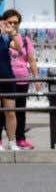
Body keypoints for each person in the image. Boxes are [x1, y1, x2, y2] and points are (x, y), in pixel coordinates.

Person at [2, 9, 36, 149]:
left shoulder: (16, 39)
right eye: (9, 22)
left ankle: (16, 140)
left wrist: (36, 76)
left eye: (15, 23)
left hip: (16, 79)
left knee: (16, 112)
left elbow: (22, 51)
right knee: (4, 113)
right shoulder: (3, 38)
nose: (12, 25)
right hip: (5, 78)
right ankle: (4, 140)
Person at [0, 15, 16, 151]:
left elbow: (19, 47)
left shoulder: (6, 38)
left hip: (8, 78)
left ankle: (12, 142)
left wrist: (12, 32)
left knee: (10, 112)